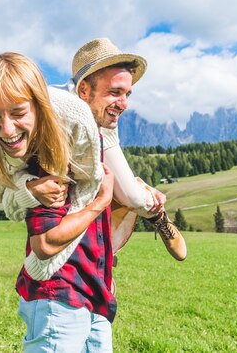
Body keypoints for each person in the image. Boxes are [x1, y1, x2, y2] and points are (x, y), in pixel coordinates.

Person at [0, 52, 117, 351]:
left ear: (38, 105)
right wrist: (28, 189)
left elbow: (89, 189)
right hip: (60, 288)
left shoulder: (74, 119)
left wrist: (99, 275)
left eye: (18, 112)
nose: (6, 130)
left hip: (88, 280)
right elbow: (5, 201)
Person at [32, 37, 187, 261]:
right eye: (115, 92)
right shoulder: (54, 104)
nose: (124, 104)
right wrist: (26, 187)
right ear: (83, 90)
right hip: (63, 149)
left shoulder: (104, 114)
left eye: (127, 94)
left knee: (132, 197)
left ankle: (157, 216)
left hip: (100, 135)